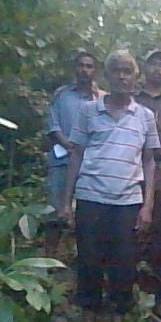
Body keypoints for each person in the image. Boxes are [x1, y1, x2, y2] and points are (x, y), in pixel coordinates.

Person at [60, 50, 159, 322]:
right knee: (89, 264)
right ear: (107, 75)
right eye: (116, 71)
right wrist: (66, 201)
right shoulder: (89, 111)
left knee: (123, 267)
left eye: (128, 71)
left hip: (127, 202)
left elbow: (149, 161)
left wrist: (148, 205)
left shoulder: (145, 116)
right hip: (91, 197)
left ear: (135, 77)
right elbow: (76, 155)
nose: (122, 77)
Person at [45, 51, 102, 257]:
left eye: (89, 66)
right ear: (74, 69)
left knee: (87, 213)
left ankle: (80, 257)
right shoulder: (62, 95)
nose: (84, 70)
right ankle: (49, 259)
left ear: (95, 71)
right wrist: (70, 146)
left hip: (91, 164)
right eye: (81, 65)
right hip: (62, 161)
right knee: (56, 212)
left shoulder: (101, 98)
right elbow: (52, 126)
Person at [135, 49, 161, 306]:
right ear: (144, 67)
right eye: (153, 64)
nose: (158, 69)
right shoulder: (131, 100)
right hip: (131, 168)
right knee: (130, 228)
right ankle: (131, 291)